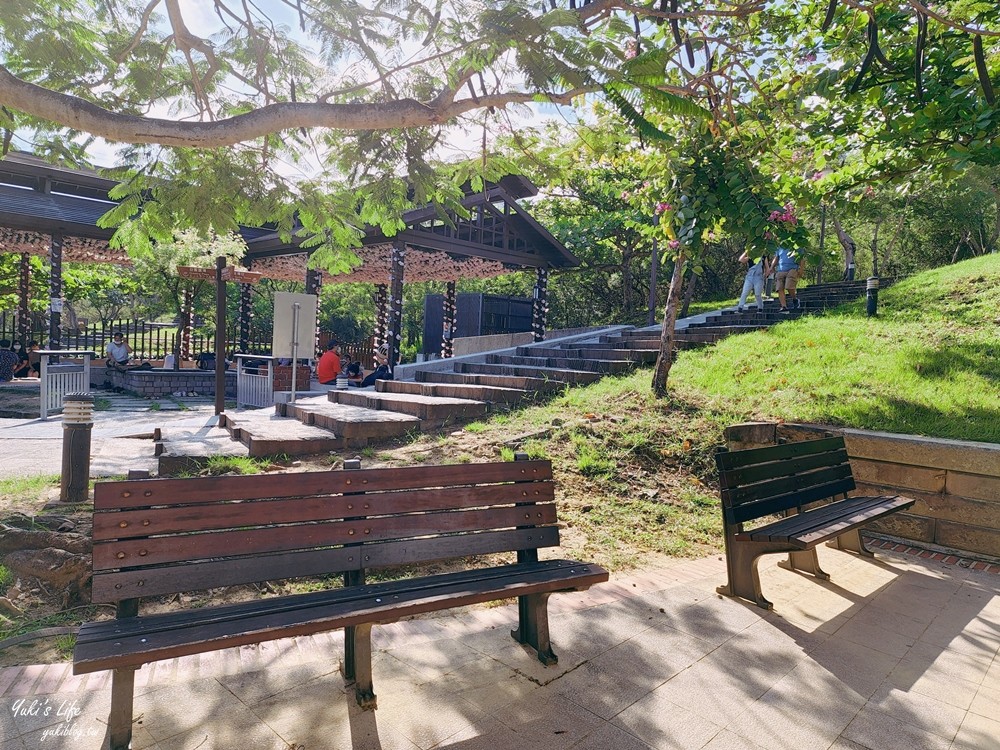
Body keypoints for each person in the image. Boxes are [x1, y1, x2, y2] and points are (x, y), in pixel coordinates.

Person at [773, 247, 801, 312]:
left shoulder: (796, 245)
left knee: (789, 287)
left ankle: (795, 299)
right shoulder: (779, 247)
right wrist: (771, 267)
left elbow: (801, 258)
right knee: (779, 288)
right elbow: (776, 258)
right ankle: (784, 306)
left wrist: (801, 269)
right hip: (780, 269)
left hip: (792, 268)